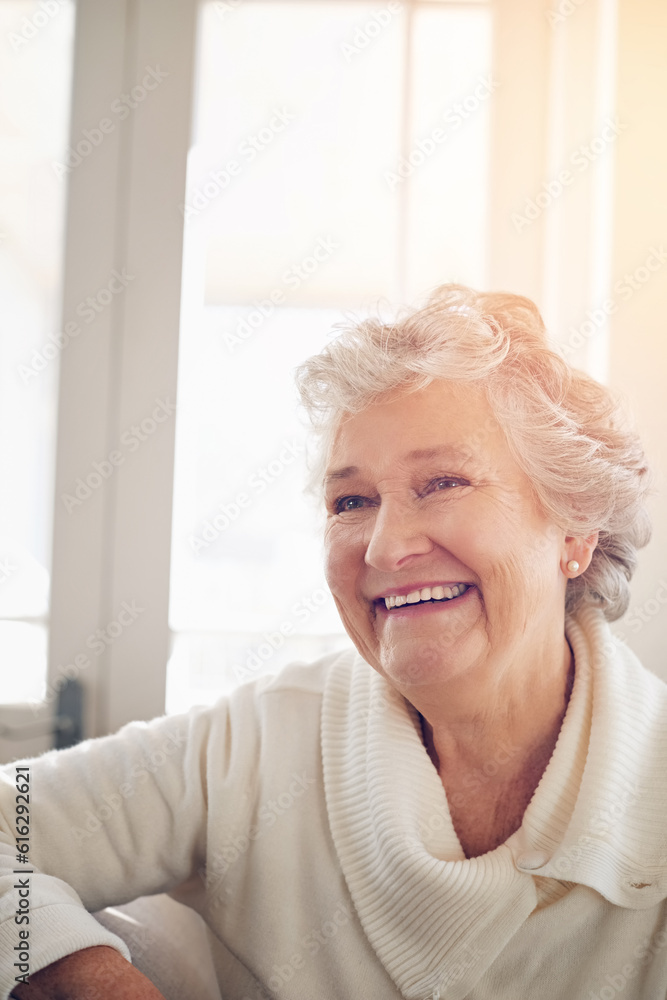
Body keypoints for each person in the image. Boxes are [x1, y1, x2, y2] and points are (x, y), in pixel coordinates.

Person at [1, 284, 665, 1000]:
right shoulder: (257, 741)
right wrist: (82, 972)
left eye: (441, 482)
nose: (385, 545)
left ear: (574, 529)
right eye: (352, 501)